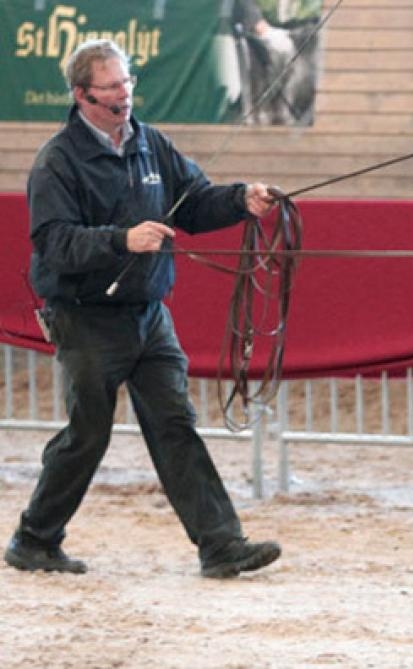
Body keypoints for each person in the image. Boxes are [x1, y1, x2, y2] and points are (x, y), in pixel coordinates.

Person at [3, 39, 282, 579]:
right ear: (82, 95)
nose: (124, 95)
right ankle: (34, 538)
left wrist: (241, 199)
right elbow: (54, 243)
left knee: (175, 423)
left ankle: (221, 545)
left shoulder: (153, 145)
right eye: (111, 87)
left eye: (127, 83)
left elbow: (194, 203)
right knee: (89, 434)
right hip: (84, 316)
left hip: (149, 315)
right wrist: (120, 240)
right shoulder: (57, 162)